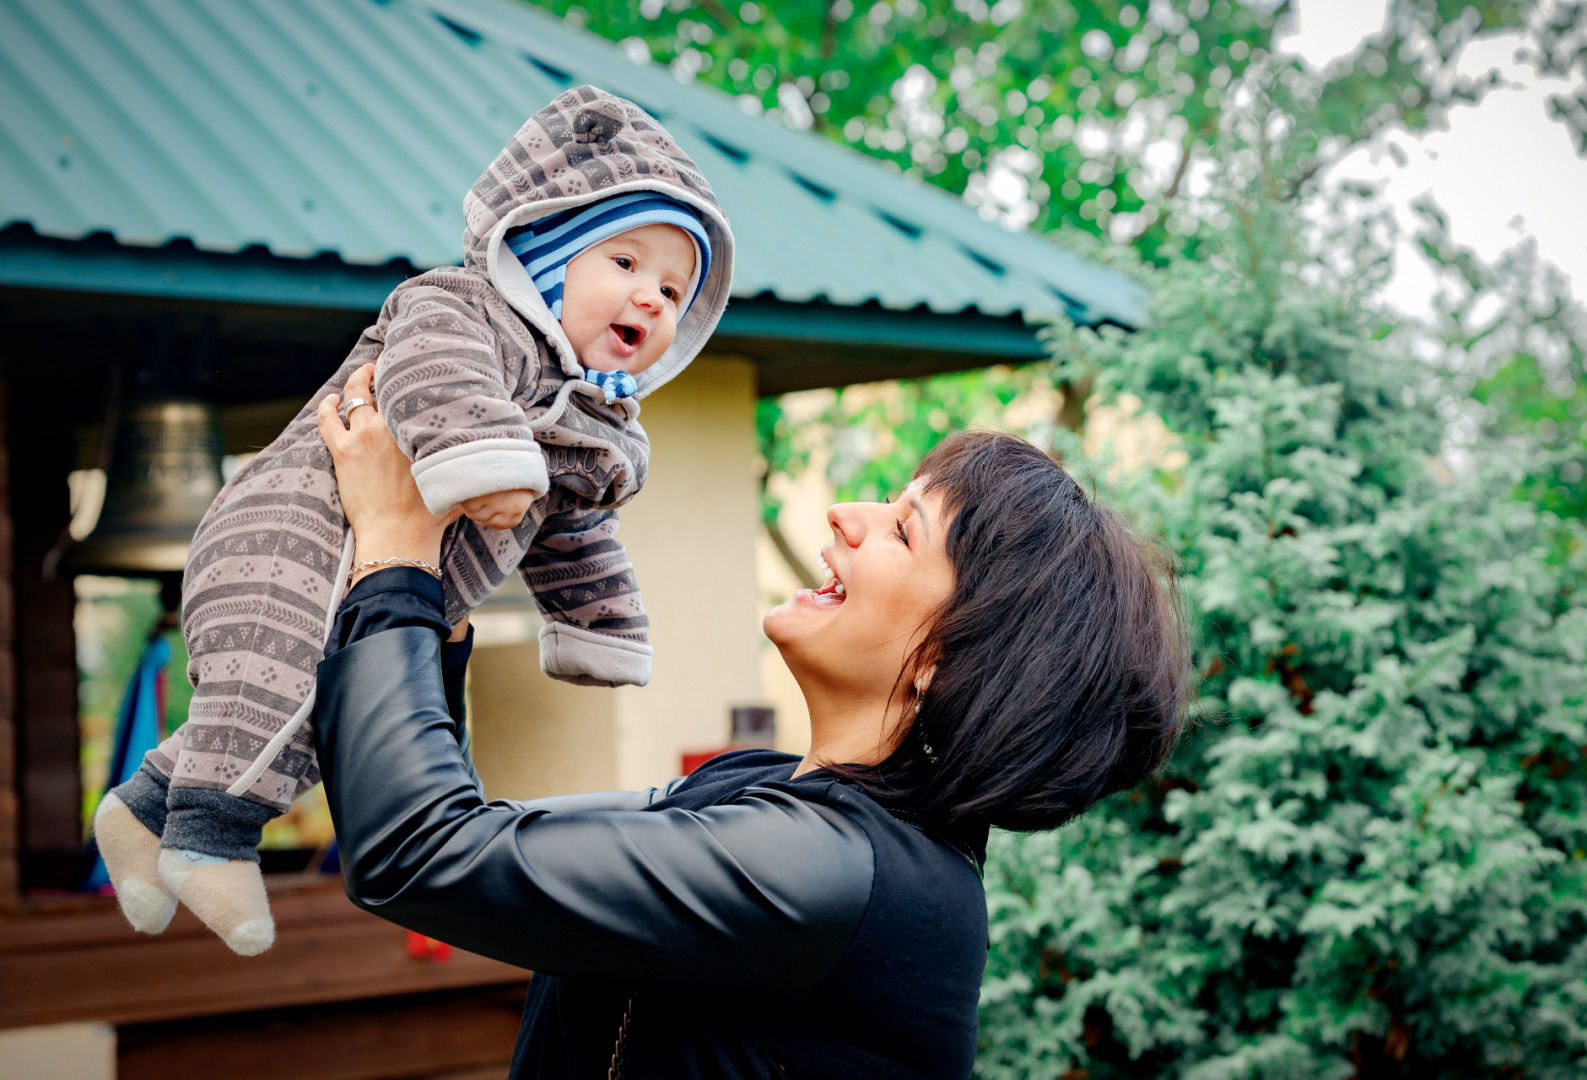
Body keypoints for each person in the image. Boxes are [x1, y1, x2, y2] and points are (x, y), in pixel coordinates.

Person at [310, 364, 1191, 1079]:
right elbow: (485, 843)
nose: (848, 517)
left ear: (945, 662)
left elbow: (419, 854)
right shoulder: (760, 792)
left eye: (902, 531)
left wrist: (396, 553)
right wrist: (440, 601)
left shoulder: (840, 878)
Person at [92, 85, 736, 956]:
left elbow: (579, 533)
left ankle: (141, 813)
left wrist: (602, 627)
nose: (653, 299)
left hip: (386, 583)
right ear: (543, 252)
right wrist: (485, 457)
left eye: (673, 289)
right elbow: (437, 378)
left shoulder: (593, 426)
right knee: (274, 686)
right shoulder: (461, 308)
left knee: (332, 716)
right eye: (625, 264)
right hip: (292, 535)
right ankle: (214, 838)